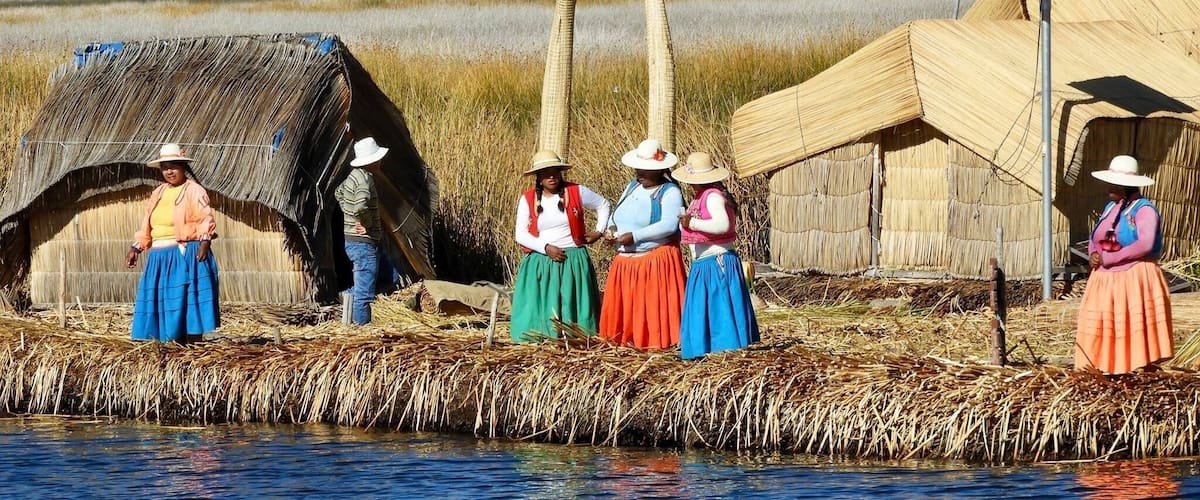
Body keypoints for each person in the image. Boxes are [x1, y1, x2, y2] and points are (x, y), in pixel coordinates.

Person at [1076, 155, 1173, 374]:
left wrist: (1109, 259)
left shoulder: (1144, 210)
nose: (1109, 185)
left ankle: (1132, 368)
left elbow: (1145, 243)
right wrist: (1093, 253)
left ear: (1127, 185)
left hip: (1134, 278)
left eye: (1113, 181)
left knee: (1128, 324)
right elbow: (1096, 237)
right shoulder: (1111, 207)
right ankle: (1102, 367)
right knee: (1103, 323)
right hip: (1104, 279)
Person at [510, 150, 610, 342]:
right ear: (538, 177)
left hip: (573, 259)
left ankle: (577, 337)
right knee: (541, 303)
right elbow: (520, 234)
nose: (552, 176)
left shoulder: (576, 192)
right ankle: (542, 336)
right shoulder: (528, 199)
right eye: (546, 173)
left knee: (573, 301)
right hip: (542, 259)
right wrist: (545, 247)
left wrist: (598, 231)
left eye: (555, 171)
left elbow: (603, 205)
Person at [126, 143, 219, 342]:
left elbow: (205, 218)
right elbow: (147, 223)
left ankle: (191, 347)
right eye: (165, 167)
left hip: (184, 254)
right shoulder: (158, 193)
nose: (169, 171)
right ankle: (168, 344)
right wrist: (137, 247)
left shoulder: (194, 191)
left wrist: (205, 242)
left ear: (182, 167)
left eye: (173, 166)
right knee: (163, 303)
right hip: (159, 258)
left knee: (186, 301)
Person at [599, 138, 687, 349]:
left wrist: (635, 236)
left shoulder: (669, 192)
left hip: (653, 262)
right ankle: (627, 341)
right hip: (626, 262)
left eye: (646, 170)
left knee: (651, 307)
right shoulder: (631, 187)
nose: (640, 174)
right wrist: (611, 228)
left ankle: (656, 343)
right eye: (638, 169)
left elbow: (668, 225)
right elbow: (617, 213)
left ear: (660, 170)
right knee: (628, 307)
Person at [674, 152, 759, 360]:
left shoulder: (712, 196)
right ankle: (706, 350)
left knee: (720, 309)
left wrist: (691, 223)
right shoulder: (703, 196)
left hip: (716, 262)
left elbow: (723, 225)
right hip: (705, 264)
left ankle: (725, 353)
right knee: (706, 309)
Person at [336, 137, 386, 325]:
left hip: (352, 241)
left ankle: (346, 299)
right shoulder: (365, 181)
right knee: (365, 295)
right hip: (363, 243)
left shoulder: (353, 176)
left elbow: (339, 193)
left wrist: (348, 215)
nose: (380, 161)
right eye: (377, 158)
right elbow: (360, 206)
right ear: (371, 161)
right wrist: (365, 222)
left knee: (360, 287)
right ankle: (362, 331)